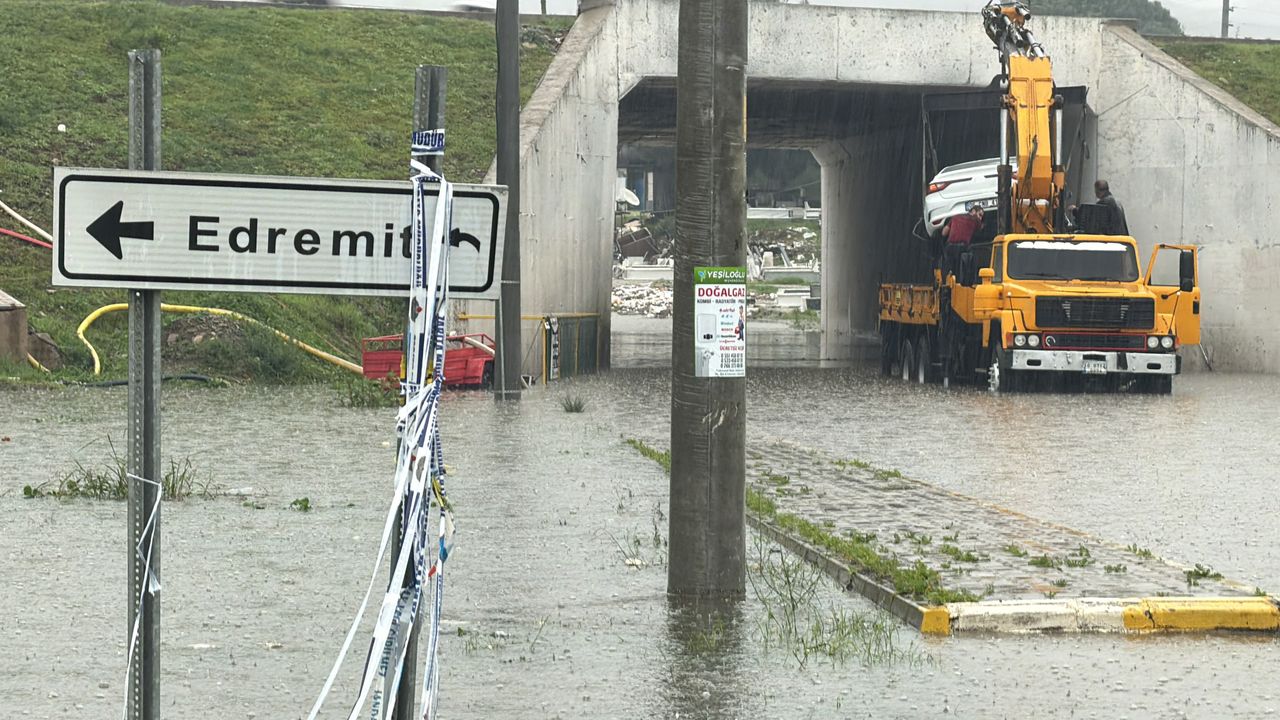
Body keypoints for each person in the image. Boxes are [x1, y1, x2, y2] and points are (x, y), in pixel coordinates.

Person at [941, 203, 984, 282]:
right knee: (964, 265)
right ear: (973, 211)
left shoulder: (955, 217)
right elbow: (981, 228)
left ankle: (946, 281)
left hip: (950, 247)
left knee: (948, 266)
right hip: (962, 247)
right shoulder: (975, 220)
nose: (980, 218)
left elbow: (944, 233)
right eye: (980, 215)